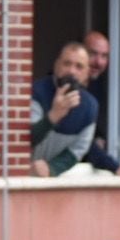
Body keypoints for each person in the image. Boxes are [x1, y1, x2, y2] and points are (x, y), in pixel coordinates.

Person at [82, 30, 120, 182]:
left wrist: (100, 137)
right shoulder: (68, 90)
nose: (99, 62)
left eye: (104, 56)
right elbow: (81, 142)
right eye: (93, 54)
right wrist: (117, 168)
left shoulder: (105, 89)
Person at [30, 41, 98, 177]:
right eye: (67, 63)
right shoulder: (36, 92)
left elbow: (78, 150)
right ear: (56, 65)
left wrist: (52, 169)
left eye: (79, 67)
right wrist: (53, 116)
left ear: (87, 73)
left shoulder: (90, 106)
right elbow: (25, 138)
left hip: (50, 180)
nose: (71, 71)